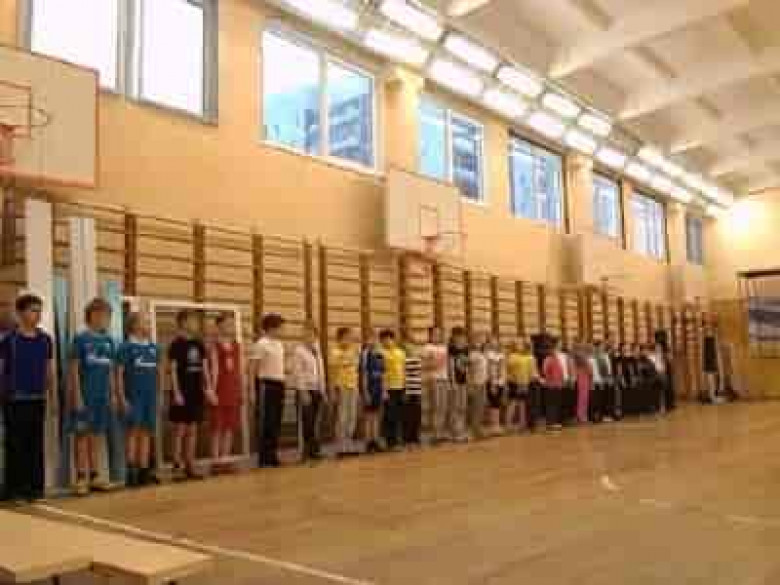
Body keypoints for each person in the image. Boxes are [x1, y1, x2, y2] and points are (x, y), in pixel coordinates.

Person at [0, 294, 54, 502]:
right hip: (15, 399)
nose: (37, 314)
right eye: (33, 310)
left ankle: (35, 489)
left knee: (35, 445)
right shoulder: (9, 340)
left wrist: (51, 397)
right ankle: (14, 489)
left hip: (37, 398)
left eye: (39, 310)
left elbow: (48, 369)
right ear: (20, 313)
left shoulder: (46, 339)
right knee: (16, 446)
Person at [70, 298, 123, 496]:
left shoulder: (109, 341)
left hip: (103, 397)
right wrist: (77, 396)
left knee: (96, 435)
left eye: (108, 316)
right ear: (91, 315)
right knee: (82, 435)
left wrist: (113, 395)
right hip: (86, 395)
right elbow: (74, 370)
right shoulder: (81, 339)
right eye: (101, 315)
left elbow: (110, 372)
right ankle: (81, 478)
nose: (105, 319)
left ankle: (94, 476)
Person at [168, 309, 213, 480]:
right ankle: (176, 466)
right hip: (182, 391)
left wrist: (208, 388)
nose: (195, 324)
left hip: (196, 392)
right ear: (183, 322)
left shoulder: (198, 344)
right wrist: (176, 392)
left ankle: (190, 464)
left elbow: (204, 368)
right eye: (192, 320)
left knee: (193, 429)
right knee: (180, 430)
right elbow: (172, 370)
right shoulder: (176, 344)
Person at [117, 312, 161, 487]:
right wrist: (121, 396)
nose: (148, 325)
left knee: (146, 432)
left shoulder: (154, 348)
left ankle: (144, 471)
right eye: (145, 322)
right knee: (133, 432)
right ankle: (131, 472)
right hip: (133, 396)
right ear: (134, 325)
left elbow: (158, 373)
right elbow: (118, 374)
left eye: (149, 322)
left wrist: (159, 395)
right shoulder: (126, 347)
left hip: (150, 397)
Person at [208, 313, 243, 474]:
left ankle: (225, 459)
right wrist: (212, 390)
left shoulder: (237, 345)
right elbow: (214, 369)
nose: (230, 326)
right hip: (219, 390)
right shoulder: (214, 346)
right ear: (219, 326)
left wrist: (240, 389)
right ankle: (215, 461)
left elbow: (239, 369)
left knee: (230, 427)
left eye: (231, 323)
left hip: (232, 389)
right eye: (227, 323)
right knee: (217, 427)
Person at [249, 313, 286, 468]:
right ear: (271, 328)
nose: (283, 330)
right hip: (266, 384)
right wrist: (252, 390)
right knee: (266, 421)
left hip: (279, 384)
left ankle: (272, 454)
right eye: (280, 327)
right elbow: (252, 368)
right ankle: (263, 457)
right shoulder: (261, 344)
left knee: (276, 421)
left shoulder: (279, 344)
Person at [292, 321, 326, 462]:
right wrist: (303, 391)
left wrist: (323, 390)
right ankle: (304, 451)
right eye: (306, 333)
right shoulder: (299, 351)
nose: (309, 336)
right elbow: (298, 372)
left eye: (312, 334)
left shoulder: (317, 350)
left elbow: (321, 371)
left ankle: (314, 450)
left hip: (317, 389)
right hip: (305, 390)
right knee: (306, 422)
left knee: (314, 423)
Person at [330, 326, 359, 456]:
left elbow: (355, 370)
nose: (350, 340)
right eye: (347, 338)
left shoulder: (353, 351)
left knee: (352, 416)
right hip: (342, 386)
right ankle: (340, 446)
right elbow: (332, 372)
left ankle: (349, 443)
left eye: (351, 338)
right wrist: (332, 389)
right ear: (340, 338)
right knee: (342, 416)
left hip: (353, 386)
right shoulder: (335, 352)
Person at [422, 327, 451, 443]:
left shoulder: (444, 347)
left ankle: (440, 431)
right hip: (433, 379)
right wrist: (433, 364)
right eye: (434, 334)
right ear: (430, 335)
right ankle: (434, 433)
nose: (437, 336)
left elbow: (447, 365)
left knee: (443, 407)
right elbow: (423, 365)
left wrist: (449, 380)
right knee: (435, 406)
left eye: (439, 334)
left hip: (444, 379)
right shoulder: (427, 348)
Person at [380, 330, 406, 450]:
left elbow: (403, 370)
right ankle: (390, 442)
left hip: (400, 387)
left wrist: (405, 386)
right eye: (384, 340)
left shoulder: (401, 353)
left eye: (389, 339)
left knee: (399, 415)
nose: (387, 341)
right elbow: (382, 373)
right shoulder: (381, 353)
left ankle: (398, 440)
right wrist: (384, 390)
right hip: (389, 388)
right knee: (389, 416)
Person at [359, 331, 384, 453]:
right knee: (368, 416)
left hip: (378, 388)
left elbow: (382, 373)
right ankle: (368, 442)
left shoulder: (379, 354)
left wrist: (383, 390)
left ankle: (375, 440)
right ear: (366, 340)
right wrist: (365, 392)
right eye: (370, 339)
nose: (373, 341)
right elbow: (363, 374)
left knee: (376, 415)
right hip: (369, 388)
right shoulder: (365, 354)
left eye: (374, 339)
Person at [505, 338, 537, 431]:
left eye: (522, 344)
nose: (521, 346)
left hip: (523, 382)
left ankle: (522, 424)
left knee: (522, 403)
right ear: (515, 346)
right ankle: (508, 424)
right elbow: (512, 371)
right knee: (513, 402)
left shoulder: (523, 357)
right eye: (519, 344)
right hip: (515, 383)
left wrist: (526, 381)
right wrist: (518, 382)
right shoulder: (512, 356)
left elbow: (527, 371)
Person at [448, 327, 470, 442]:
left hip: (463, 381)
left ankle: (461, 430)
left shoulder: (466, 349)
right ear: (454, 337)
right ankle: (455, 432)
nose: (461, 338)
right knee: (455, 407)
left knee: (463, 406)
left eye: (462, 336)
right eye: (458, 336)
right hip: (456, 382)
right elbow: (451, 367)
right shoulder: (451, 349)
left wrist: (468, 380)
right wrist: (453, 382)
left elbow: (466, 366)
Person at [467, 332, 488, 440]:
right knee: (475, 408)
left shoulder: (482, 353)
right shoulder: (472, 354)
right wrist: (470, 384)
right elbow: (470, 370)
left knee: (481, 407)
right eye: (477, 341)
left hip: (483, 382)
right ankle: (474, 431)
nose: (479, 343)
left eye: (481, 341)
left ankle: (478, 429)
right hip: (476, 383)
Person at [542, 338, 565, 431]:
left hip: (558, 384)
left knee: (557, 403)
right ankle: (551, 423)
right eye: (556, 348)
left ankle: (556, 421)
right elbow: (545, 372)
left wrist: (561, 381)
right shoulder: (548, 359)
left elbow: (560, 371)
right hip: (551, 385)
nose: (556, 350)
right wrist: (550, 380)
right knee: (551, 405)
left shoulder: (556, 359)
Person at [485, 335, 506, 435]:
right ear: (489, 343)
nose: (494, 343)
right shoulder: (488, 354)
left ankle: (497, 425)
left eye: (495, 341)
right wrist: (492, 383)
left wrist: (503, 381)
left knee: (497, 404)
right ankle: (493, 425)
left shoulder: (501, 354)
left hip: (500, 381)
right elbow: (490, 369)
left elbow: (503, 368)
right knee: (493, 403)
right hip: (493, 381)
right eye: (492, 341)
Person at [403, 341, 423, 447]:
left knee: (417, 415)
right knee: (408, 415)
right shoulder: (404, 361)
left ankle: (415, 437)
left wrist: (421, 390)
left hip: (417, 390)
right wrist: (405, 390)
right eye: (408, 348)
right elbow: (404, 376)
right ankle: (408, 438)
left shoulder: (418, 360)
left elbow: (420, 375)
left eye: (412, 347)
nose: (410, 349)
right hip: (409, 391)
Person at [573, 342, 593, 424]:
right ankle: (581, 416)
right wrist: (590, 372)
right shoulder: (581, 357)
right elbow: (589, 368)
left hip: (583, 377)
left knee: (583, 397)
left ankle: (582, 415)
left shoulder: (581, 356)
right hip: (583, 377)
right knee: (583, 398)